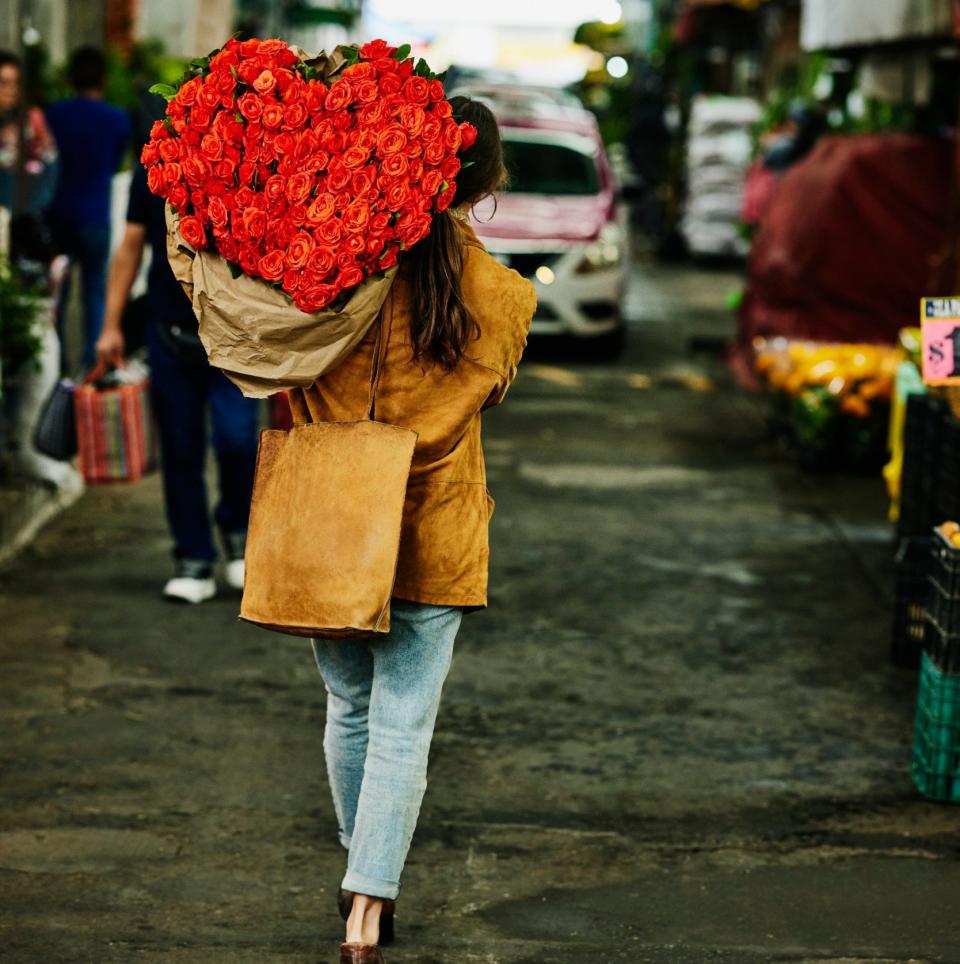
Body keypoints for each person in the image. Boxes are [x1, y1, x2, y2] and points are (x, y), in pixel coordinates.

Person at [286, 97, 536, 964]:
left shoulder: (332, 270)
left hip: (328, 517)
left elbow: (282, 375)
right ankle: (368, 903)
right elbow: (474, 404)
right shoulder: (503, 296)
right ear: (492, 181)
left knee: (349, 707)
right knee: (401, 724)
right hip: (433, 523)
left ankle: (364, 884)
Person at [96, 144, 260, 604]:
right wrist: (110, 326)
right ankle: (193, 555)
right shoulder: (153, 171)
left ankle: (237, 530)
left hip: (234, 337)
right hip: (169, 333)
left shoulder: (248, 164)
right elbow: (130, 248)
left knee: (238, 440)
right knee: (181, 448)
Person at [46, 46, 130, 367]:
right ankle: (91, 369)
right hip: (96, 214)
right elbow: (115, 161)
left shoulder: (55, 114)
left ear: (71, 78)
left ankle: (58, 368)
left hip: (59, 214)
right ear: (104, 81)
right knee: (95, 292)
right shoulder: (117, 119)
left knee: (58, 297)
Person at [0, 50, 58, 216]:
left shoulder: (31, 121)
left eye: (15, 83)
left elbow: (51, 165)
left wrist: (33, 207)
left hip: (21, 214)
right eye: (3, 83)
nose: (10, 89)